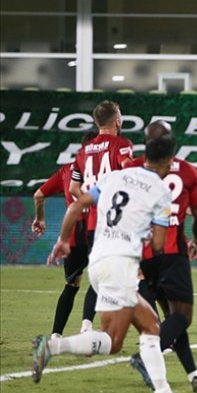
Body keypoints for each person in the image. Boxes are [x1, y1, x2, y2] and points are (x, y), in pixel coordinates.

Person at [33, 134, 176, 392]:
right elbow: (158, 244)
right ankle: (53, 346)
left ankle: (163, 388)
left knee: (152, 325)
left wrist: (64, 241)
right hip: (120, 265)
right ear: (168, 161)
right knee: (114, 340)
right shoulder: (161, 192)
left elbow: (76, 207)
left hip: (98, 261)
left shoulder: (113, 178)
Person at [127, 121, 197, 392]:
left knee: (170, 318)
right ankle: (145, 359)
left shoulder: (129, 169)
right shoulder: (187, 170)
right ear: (171, 142)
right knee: (182, 316)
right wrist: (196, 240)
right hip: (172, 251)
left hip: (140, 255)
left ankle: (194, 375)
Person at [69, 100, 135, 332]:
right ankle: (155, 333)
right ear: (117, 121)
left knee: (101, 274)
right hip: (116, 221)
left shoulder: (84, 150)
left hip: (92, 223)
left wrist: (90, 201)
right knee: (134, 274)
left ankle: (87, 326)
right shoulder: (121, 144)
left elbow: (73, 188)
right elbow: (128, 170)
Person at [31, 129, 98, 340]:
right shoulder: (106, 169)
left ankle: (56, 335)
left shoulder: (67, 170)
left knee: (72, 285)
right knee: (102, 280)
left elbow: (39, 195)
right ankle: (86, 328)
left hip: (73, 233)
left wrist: (40, 218)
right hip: (96, 229)